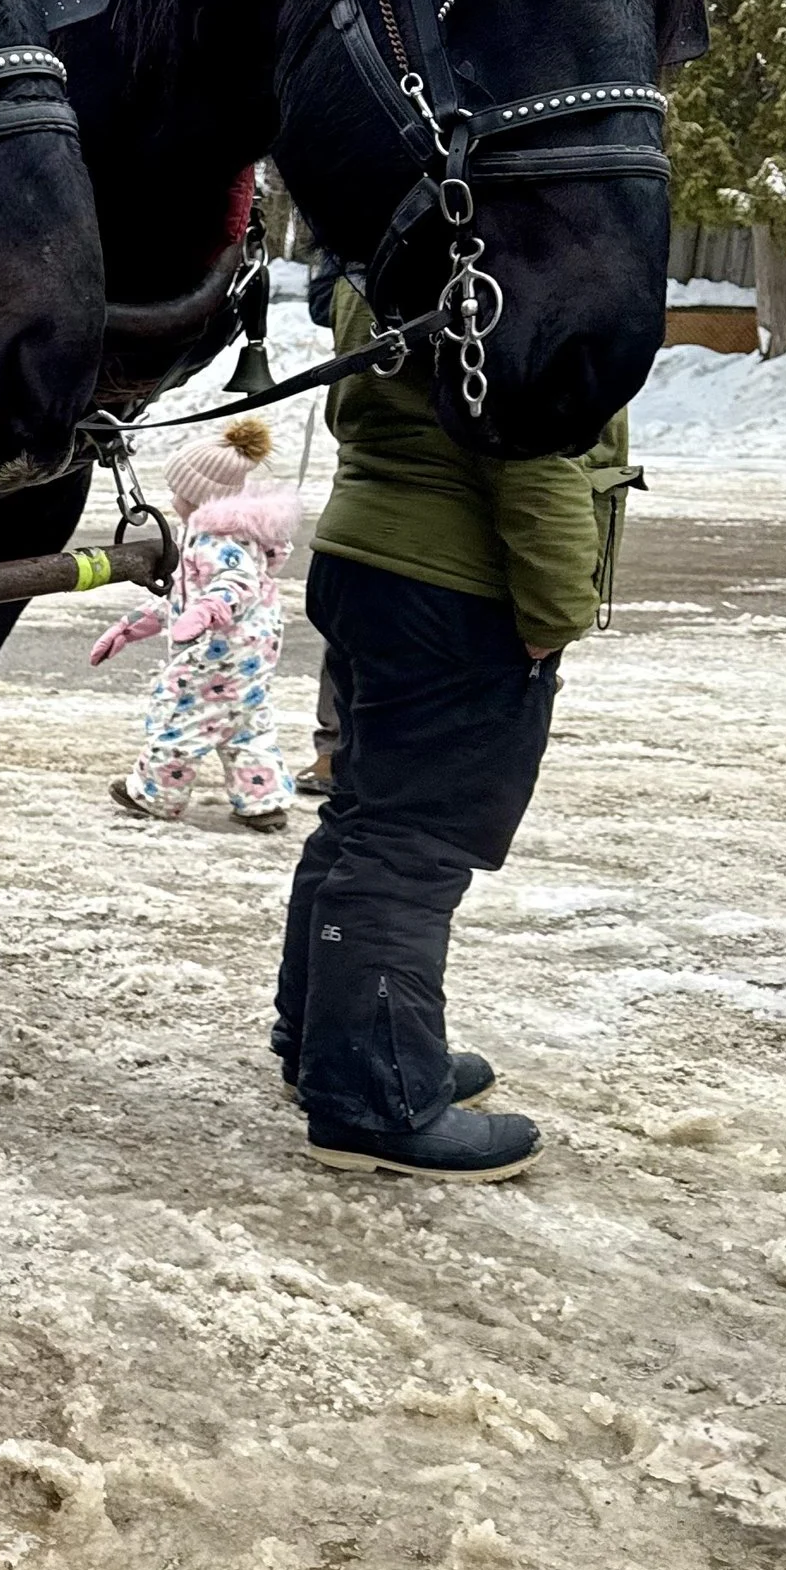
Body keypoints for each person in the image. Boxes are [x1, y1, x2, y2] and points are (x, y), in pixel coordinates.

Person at [272, 277, 637, 1182]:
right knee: (412, 841)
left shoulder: (401, 222)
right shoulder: (514, 236)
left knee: (364, 815)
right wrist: (557, 605)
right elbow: (530, 434)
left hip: (372, 556)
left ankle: (327, 1040)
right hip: (456, 579)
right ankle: (374, 1099)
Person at [95, 418, 298, 829]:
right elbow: (181, 603)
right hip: (251, 654)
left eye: (179, 492)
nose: (172, 500)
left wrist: (205, 614)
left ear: (203, 497)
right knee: (245, 723)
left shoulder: (215, 539)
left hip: (217, 655)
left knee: (179, 718)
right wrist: (131, 626)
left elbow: (233, 587)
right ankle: (263, 800)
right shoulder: (238, 536)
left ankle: (154, 794)